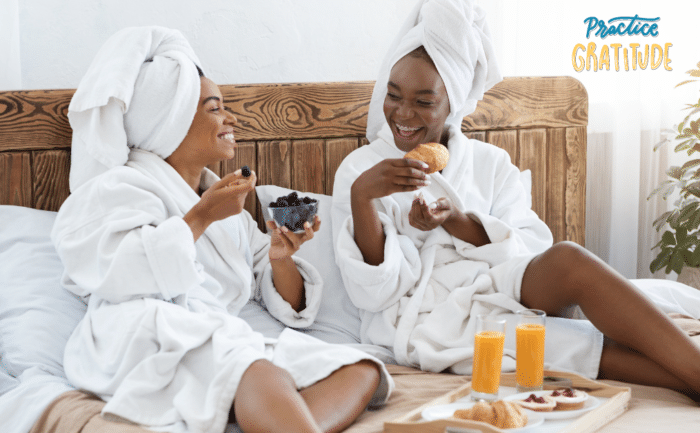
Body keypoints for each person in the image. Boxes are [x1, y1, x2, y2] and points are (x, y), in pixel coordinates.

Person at [331, 0, 700, 399]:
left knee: (570, 258)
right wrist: (362, 197)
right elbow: (373, 294)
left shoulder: (490, 162)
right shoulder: (361, 171)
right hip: (430, 315)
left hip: (505, 285)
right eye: (393, 95)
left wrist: (456, 221)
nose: (402, 113)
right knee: (574, 342)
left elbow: (530, 250)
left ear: (452, 103)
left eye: (423, 102)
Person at [51, 26, 392, 433]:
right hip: (145, 329)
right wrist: (200, 217)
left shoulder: (218, 197)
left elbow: (277, 292)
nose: (231, 118)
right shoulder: (119, 186)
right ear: (170, 122)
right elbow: (114, 272)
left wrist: (281, 258)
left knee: (360, 368)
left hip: (217, 333)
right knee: (258, 373)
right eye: (215, 108)